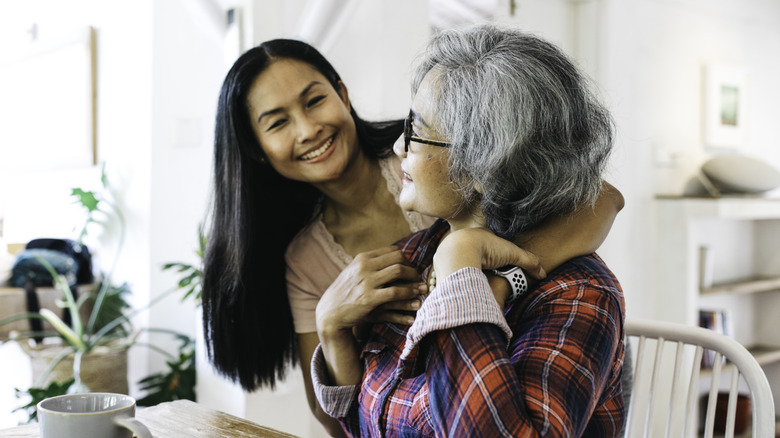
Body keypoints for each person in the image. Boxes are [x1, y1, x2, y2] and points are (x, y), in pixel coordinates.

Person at [201, 37, 624, 436]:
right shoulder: (401, 249)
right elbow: (358, 424)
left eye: (315, 100)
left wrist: (478, 273)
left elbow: (597, 197)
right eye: (277, 122)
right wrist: (331, 326)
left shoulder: (571, 292)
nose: (308, 129)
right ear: (255, 147)